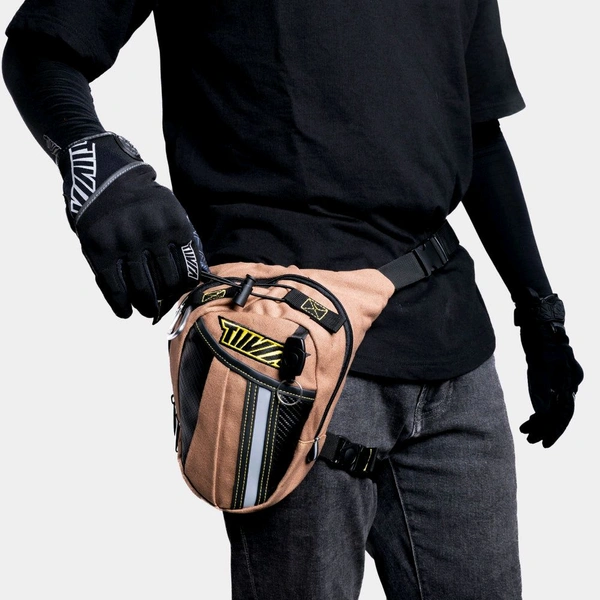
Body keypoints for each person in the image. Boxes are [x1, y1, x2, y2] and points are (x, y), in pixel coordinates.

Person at [2, 0, 584, 598]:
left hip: (451, 339)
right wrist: (101, 170)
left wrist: (539, 314)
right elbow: (41, 48)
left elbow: (478, 134)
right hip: (285, 344)